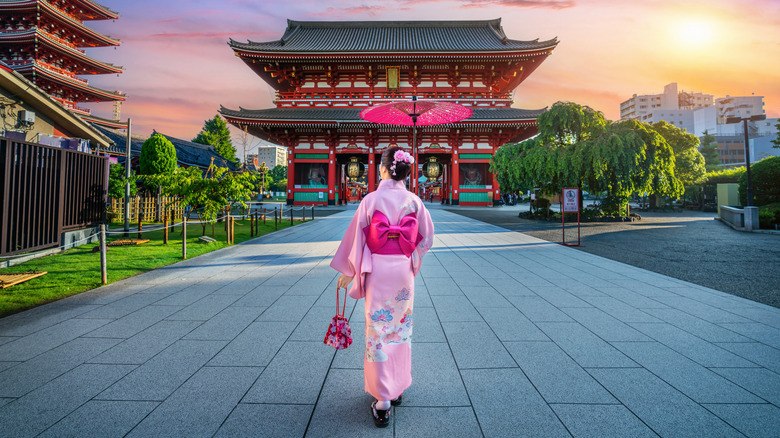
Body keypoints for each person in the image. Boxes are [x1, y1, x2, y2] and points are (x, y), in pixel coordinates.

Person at [330, 146, 434, 428]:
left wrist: (351, 271)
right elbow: (426, 238)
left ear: (385, 169)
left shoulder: (370, 200)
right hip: (402, 271)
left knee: (378, 330)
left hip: (376, 270)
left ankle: (383, 401)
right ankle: (396, 386)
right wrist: (410, 257)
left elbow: (356, 240)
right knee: (400, 328)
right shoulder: (414, 201)